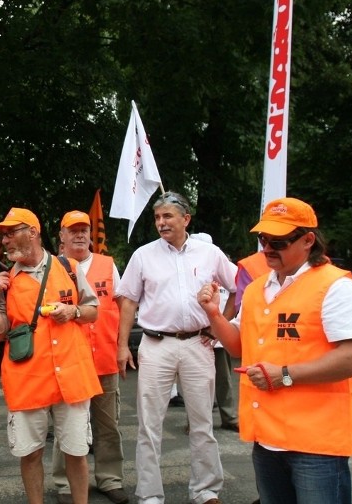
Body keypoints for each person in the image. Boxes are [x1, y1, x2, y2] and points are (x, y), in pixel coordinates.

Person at [197, 197, 352, 504]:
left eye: (278, 241)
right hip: (266, 437)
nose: (267, 248)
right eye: (263, 239)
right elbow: (238, 345)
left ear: (308, 240)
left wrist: (286, 376)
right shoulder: (256, 289)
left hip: (315, 442)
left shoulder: (336, 287)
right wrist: (213, 314)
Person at [116, 191, 235, 504]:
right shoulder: (143, 255)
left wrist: (220, 324)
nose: (161, 223)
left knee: (202, 422)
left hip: (198, 343)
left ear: (186, 219)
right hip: (155, 345)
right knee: (149, 424)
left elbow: (239, 287)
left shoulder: (209, 253)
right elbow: (127, 300)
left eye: (167, 216)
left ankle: (205, 490)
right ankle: (150, 494)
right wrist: (122, 346)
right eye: (157, 218)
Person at [0, 207, 101, 504]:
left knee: (76, 451)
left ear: (32, 233)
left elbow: (92, 311)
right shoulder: (5, 281)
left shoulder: (69, 268)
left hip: (71, 377)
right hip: (27, 379)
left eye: (11, 233)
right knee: (30, 452)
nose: (5, 241)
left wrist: (72, 311)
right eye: (3, 235)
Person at [52, 211, 128, 504]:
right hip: (68, 362)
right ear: (62, 236)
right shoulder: (53, 268)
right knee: (66, 425)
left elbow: (123, 307)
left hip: (104, 358)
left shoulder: (108, 266)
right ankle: (64, 484)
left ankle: (110, 478)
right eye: (73, 230)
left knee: (108, 424)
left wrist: (123, 347)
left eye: (84, 229)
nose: (80, 235)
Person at [190, 232, 240, 433]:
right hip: (195, 334)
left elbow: (238, 292)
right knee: (194, 380)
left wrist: (220, 326)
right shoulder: (185, 267)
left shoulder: (221, 264)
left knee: (222, 378)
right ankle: (195, 421)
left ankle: (229, 416)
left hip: (217, 335)